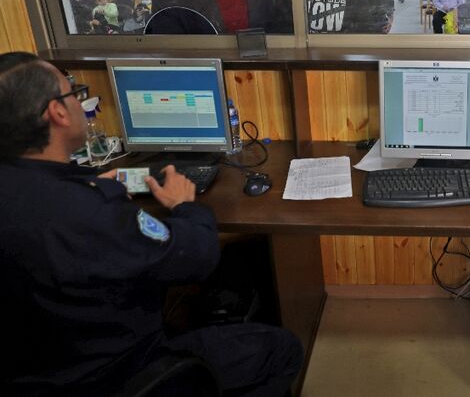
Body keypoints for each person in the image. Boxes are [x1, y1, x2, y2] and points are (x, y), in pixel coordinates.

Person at [0, 52, 303, 396]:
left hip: (35, 374)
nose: (78, 101)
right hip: (123, 373)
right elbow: (197, 258)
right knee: (282, 349)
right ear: (57, 112)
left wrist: (95, 187)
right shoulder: (91, 212)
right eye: (74, 93)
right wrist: (184, 206)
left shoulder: (64, 197)